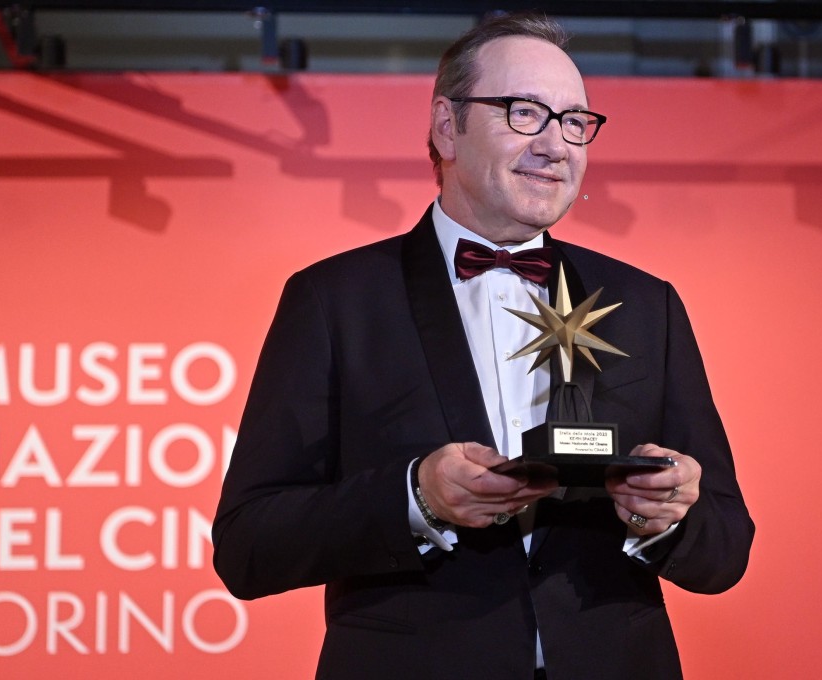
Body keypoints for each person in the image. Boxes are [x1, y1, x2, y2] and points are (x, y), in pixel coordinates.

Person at [213, 13, 753, 680]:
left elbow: (727, 548)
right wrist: (417, 498)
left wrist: (668, 514)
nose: (557, 145)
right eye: (525, 113)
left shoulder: (647, 304)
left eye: (575, 121)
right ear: (447, 126)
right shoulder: (334, 300)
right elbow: (247, 545)